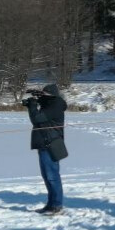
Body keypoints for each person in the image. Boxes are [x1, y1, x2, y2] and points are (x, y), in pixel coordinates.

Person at [25, 84, 69, 216]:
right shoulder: (50, 103)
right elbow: (42, 109)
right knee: (47, 177)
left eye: (45, 94)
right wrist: (35, 99)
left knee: (52, 177)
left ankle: (57, 206)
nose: (43, 96)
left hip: (50, 145)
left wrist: (32, 105)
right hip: (45, 144)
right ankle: (51, 204)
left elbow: (37, 119)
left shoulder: (55, 105)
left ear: (51, 95)